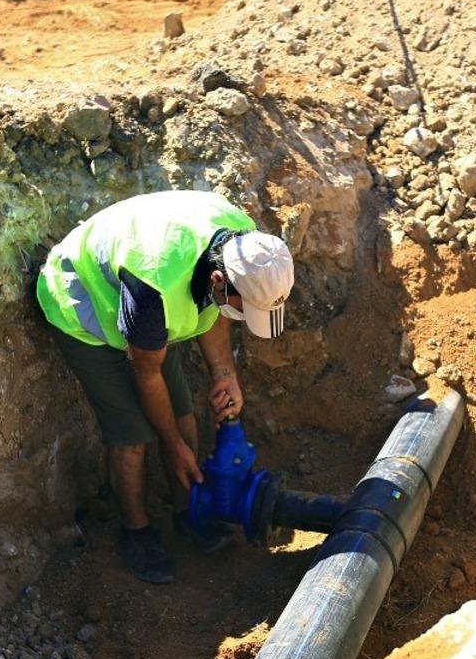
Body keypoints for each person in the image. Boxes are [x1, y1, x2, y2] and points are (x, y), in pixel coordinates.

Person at [36, 190, 294, 584]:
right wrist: (171, 446)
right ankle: (136, 532)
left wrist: (225, 373)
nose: (243, 315)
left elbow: (216, 308)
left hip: (150, 301)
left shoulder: (248, 246)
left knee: (184, 413)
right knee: (132, 436)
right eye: (244, 307)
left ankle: (187, 513)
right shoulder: (154, 286)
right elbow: (146, 371)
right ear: (218, 280)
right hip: (84, 306)